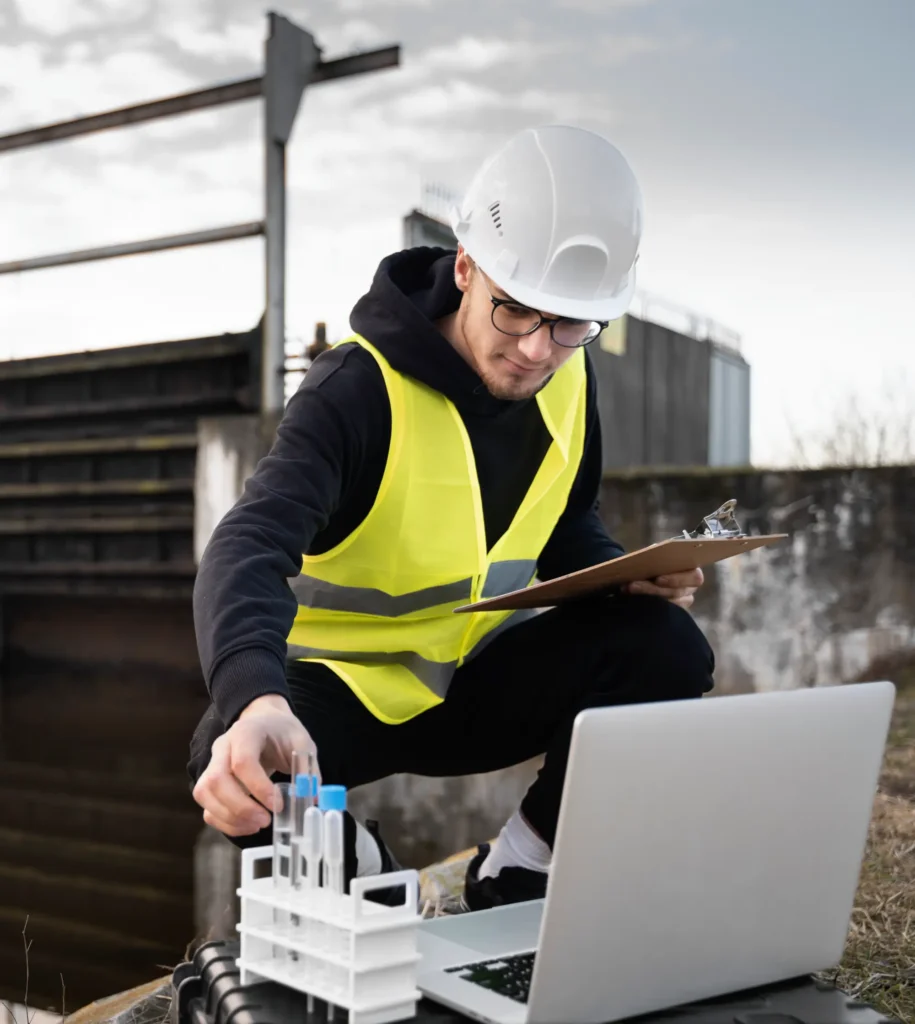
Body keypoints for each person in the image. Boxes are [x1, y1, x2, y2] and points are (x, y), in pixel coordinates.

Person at [188, 124, 714, 912]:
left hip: (476, 686)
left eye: (570, 325)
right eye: (515, 313)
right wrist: (258, 698)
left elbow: (566, 523)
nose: (538, 351)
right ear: (466, 268)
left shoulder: (569, 378)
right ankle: (368, 874)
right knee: (228, 754)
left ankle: (521, 869)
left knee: (666, 649)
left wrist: (621, 580)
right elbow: (249, 542)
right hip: (347, 699)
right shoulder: (355, 393)